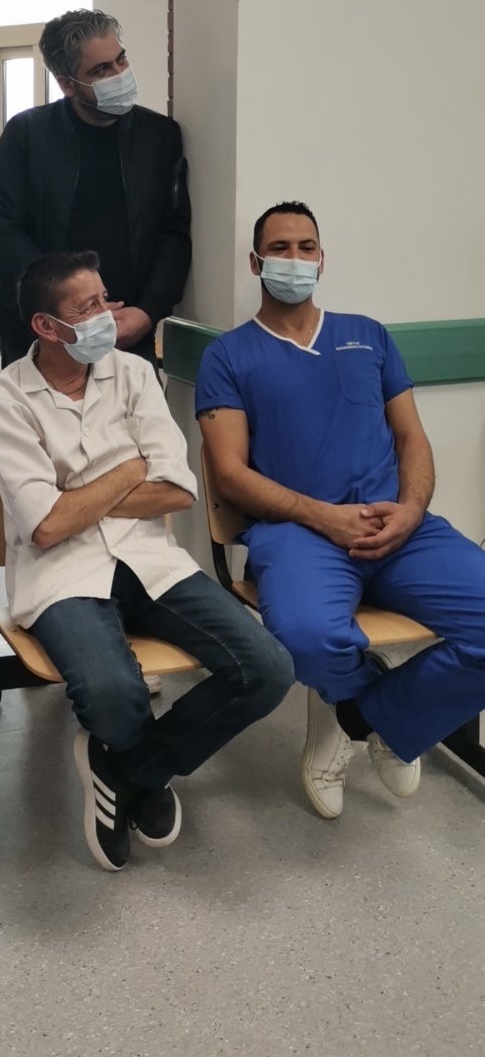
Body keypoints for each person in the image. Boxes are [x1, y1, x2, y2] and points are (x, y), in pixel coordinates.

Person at [0, 251, 293, 872]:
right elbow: (47, 526)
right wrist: (129, 469)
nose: (108, 315)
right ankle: (145, 767)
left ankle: (131, 769)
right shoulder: (7, 397)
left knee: (267, 668)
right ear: (45, 326)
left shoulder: (134, 373)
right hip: (61, 571)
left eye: (106, 298)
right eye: (87, 307)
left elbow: (177, 490)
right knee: (110, 691)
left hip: (151, 559)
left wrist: (77, 496)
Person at [195, 201, 485, 820]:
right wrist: (324, 517)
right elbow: (230, 474)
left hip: (397, 526)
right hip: (298, 533)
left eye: (306, 248)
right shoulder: (229, 355)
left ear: (322, 259)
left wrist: (411, 509)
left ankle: (363, 719)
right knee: (304, 640)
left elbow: (411, 438)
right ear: (256, 262)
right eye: (280, 248)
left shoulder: (368, 335)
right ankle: (370, 703)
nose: (294, 259)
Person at [0, 8, 192, 367]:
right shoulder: (26, 136)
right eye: (100, 70)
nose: (119, 74)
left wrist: (149, 310)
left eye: (121, 59)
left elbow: (173, 233)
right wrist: (67, 311)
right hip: (44, 334)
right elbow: (5, 233)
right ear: (67, 84)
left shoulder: (159, 137)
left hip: (128, 331)